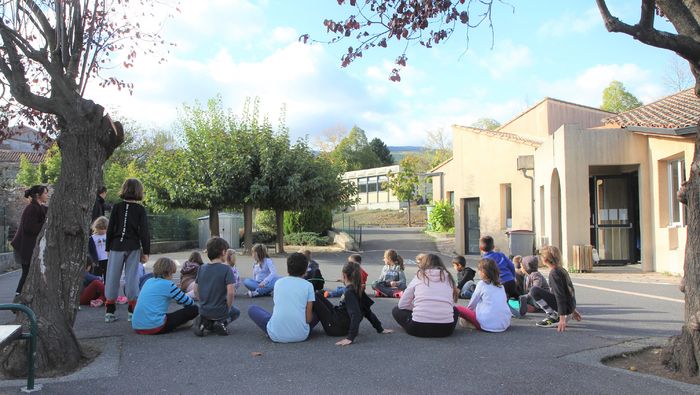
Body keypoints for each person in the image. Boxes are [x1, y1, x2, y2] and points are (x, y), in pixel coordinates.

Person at [104, 178, 150, 323]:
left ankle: (110, 311)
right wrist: (146, 250)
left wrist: (107, 247)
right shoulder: (140, 210)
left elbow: (110, 228)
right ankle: (131, 311)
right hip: (133, 246)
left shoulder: (116, 207)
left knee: (112, 276)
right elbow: (144, 232)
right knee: (132, 278)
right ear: (138, 191)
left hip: (116, 245)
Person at [313, 261, 393, 345]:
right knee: (317, 294)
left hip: (336, 327)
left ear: (344, 275)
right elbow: (368, 312)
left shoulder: (349, 292)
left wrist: (350, 338)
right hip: (339, 318)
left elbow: (356, 314)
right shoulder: (357, 289)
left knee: (313, 297)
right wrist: (380, 328)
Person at [247, 252, 316, 343]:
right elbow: (308, 319)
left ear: (288, 268)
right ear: (305, 270)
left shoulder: (279, 283)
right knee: (318, 309)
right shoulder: (308, 286)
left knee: (252, 309)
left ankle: (279, 325)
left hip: (276, 334)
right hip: (302, 335)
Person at [392, 254, 459, 338]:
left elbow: (402, 305)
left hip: (418, 328)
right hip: (445, 329)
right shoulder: (448, 278)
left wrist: (418, 308)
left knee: (396, 310)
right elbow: (451, 304)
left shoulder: (419, 276)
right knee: (455, 310)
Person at [132, 257, 199, 335]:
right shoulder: (168, 284)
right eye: (172, 274)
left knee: (163, 315)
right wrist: (177, 292)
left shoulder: (148, 281)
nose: (172, 277)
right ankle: (183, 324)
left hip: (137, 326)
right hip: (154, 327)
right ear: (169, 273)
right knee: (194, 309)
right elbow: (189, 302)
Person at [528, 245, 583, 331]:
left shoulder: (554, 273)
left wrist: (562, 319)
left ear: (545, 260)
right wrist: (573, 310)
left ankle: (553, 316)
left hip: (564, 311)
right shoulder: (562, 270)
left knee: (534, 291)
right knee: (546, 291)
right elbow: (569, 291)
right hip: (568, 308)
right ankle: (561, 315)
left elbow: (560, 295)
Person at [193, 237, 239, 336]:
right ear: (223, 252)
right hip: (220, 310)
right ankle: (221, 323)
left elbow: (195, 289)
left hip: (204, 308)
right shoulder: (227, 269)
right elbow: (231, 292)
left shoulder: (201, 268)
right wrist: (228, 307)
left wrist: (202, 302)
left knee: (208, 314)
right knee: (236, 312)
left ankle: (205, 322)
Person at [11, 185, 49, 300]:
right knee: (27, 274)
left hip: (27, 248)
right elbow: (29, 228)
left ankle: (22, 298)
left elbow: (46, 211)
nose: (47, 195)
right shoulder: (32, 208)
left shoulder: (38, 207)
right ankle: (17, 298)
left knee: (29, 274)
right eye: (45, 193)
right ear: (38, 195)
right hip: (24, 248)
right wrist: (45, 225)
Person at [455, 258, 512, 332]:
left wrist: (467, 315)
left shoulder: (482, 284)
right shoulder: (501, 286)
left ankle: (474, 325)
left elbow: (472, 304)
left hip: (487, 322)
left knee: (459, 310)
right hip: (504, 323)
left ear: (483, 272)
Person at [88, 216, 109, 281]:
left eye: (104, 229)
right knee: (97, 278)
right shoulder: (92, 238)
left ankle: (106, 290)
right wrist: (94, 260)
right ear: (96, 228)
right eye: (100, 229)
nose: (102, 231)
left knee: (107, 278)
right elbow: (91, 251)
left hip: (107, 260)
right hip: (98, 261)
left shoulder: (108, 236)